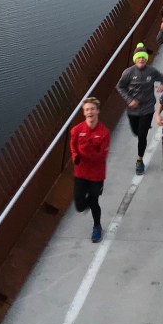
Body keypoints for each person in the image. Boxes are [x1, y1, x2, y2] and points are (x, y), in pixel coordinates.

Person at [115, 43, 163, 175]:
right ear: (135, 59)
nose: (141, 60)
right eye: (139, 57)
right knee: (136, 132)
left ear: (146, 59)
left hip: (148, 108)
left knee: (142, 135)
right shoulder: (128, 73)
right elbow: (120, 87)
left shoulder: (151, 71)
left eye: (143, 57)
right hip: (132, 109)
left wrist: (162, 86)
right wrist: (129, 100)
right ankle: (142, 129)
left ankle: (139, 160)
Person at [69, 97, 110, 243]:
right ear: (83, 112)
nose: (90, 112)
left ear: (97, 111)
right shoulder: (76, 130)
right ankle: (87, 205)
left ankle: (97, 226)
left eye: (92, 109)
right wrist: (75, 155)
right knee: (79, 206)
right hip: (80, 173)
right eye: (87, 109)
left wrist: (86, 150)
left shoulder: (104, 132)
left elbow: (101, 156)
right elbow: (73, 146)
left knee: (94, 201)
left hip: (96, 174)